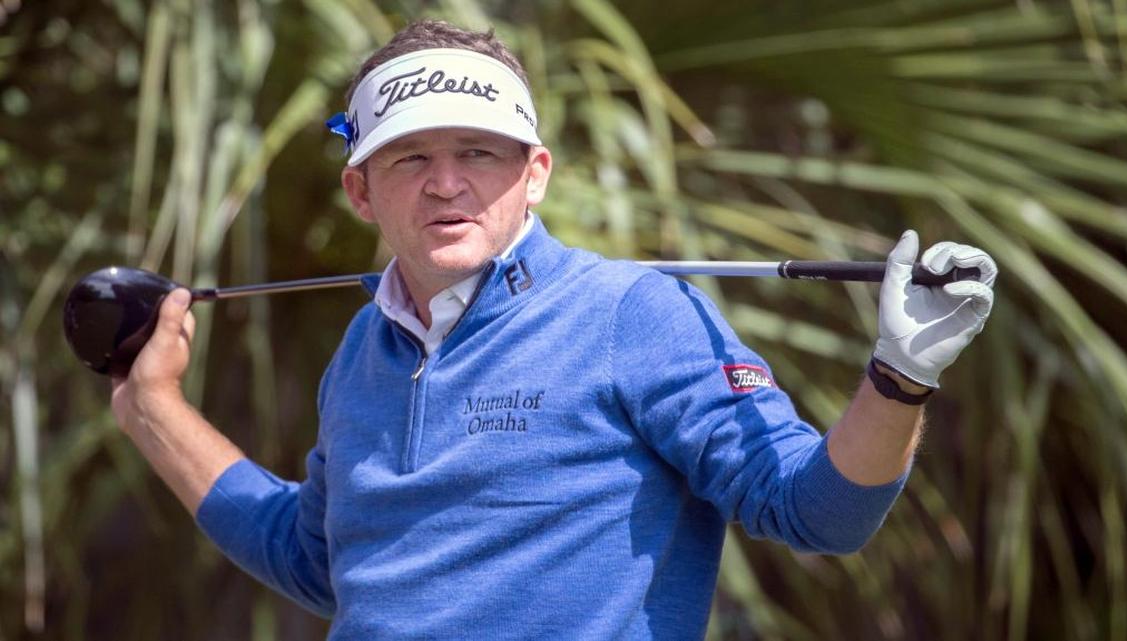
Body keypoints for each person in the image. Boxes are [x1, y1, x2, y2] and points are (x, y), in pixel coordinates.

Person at [110, 19, 997, 640]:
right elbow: (315, 560)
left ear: (534, 173)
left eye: (480, 153)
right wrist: (151, 405)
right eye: (412, 156)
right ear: (361, 189)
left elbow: (818, 512)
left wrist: (899, 376)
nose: (446, 183)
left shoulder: (632, 313)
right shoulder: (360, 353)